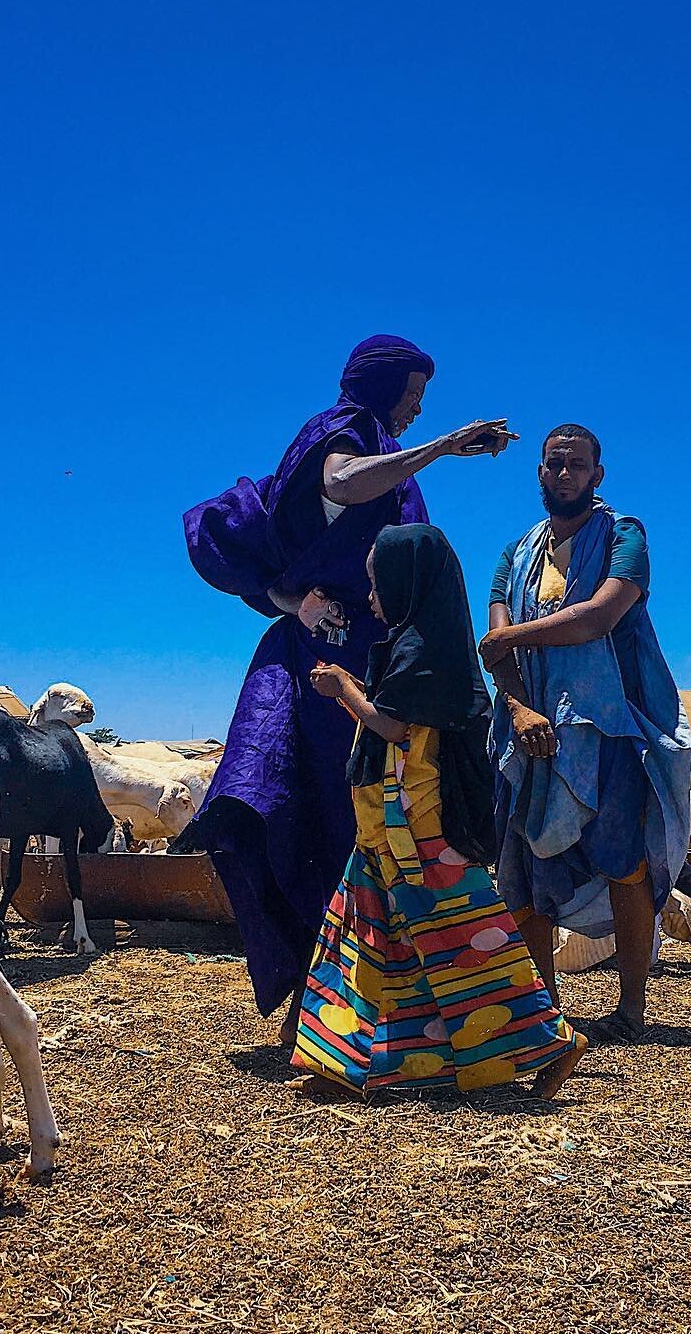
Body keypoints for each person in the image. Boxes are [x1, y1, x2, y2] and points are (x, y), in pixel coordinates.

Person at [175, 335, 516, 1037]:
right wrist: (293, 601)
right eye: (412, 400)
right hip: (320, 666)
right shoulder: (343, 438)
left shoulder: (379, 456)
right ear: (382, 389)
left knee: (368, 830)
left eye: (424, 407)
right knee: (305, 812)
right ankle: (335, 1005)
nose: (416, 414)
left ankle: (375, 1010)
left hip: (372, 659)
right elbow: (340, 482)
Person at [293, 523, 585, 1098]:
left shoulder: (424, 651)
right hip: (387, 829)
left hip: (419, 832)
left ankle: (548, 1038)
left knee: (467, 940)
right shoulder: (417, 644)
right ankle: (370, 1057)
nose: (371, 597)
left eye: (379, 585)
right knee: (381, 940)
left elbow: (394, 726)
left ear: (409, 582)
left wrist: (344, 690)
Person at [480, 424, 691, 1042]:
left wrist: (514, 637)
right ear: (540, 474)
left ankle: (630, 1008)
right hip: (530, 734)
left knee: (623, 861)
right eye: (554, 464)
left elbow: (601, 614)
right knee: (522, 870)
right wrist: (519, 710)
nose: (564, 473)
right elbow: (496, 655)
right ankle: (541, 1013)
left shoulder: (625, 535)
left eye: (577, 464)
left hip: (608, 728)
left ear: (598, 474)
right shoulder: (513, 557)